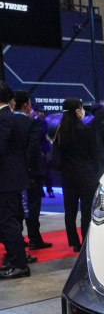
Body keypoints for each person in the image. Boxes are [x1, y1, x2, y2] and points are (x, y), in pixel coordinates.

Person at [56, 98, 101, 252]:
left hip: (67, 177)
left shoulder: (60, 131)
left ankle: (74, 242)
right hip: (86, 176)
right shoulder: (87, 130)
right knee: (86, 211)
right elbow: (94, 154)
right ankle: (85, 240)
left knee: (70, 211)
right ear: (77, 111)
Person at [0, 82, 32, 279]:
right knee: (8, 221)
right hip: (9, 179)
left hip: (6, 180)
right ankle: (14, 261)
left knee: (8, 222)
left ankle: (19, 264)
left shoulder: (4, 118)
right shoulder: (7, 117)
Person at [13, 91, 51, 250]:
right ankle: (34, 239)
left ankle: (18, 241)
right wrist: (26, 166)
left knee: (15, 207)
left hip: (13, 171)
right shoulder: (32, 123)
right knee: (33, 206)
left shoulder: (8, 121)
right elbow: (33, 148)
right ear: (26, 105)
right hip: (32, 171)